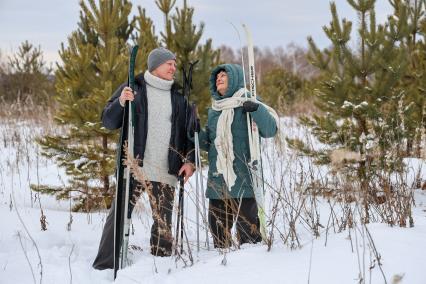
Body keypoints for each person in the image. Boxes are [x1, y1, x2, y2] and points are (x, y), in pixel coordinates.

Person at [93, 47, 195, 270]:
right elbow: (108, 122)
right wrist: (121, 102)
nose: (173, 67)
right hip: (135, 167)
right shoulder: (134, 88)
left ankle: (160, 267)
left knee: (163, 226)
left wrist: (190, 161)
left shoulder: (179, 99)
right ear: (155, 66)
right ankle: (105, 265)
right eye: (169, 63)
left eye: (175, 64)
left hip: (167, 168)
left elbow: (190, 134)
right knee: (118, 217)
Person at [189, 63, 278, 248]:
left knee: (249, 235)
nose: (219, 78)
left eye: (224, 75)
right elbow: (209, 144)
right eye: (217, 77)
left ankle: (250, 270)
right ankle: (222, 269)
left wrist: (256, 110)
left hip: (245, 175)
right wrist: (195, 132)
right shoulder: (215, 109)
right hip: (219, 178)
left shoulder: (250, 100)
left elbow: (270, 130)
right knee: (219, 234)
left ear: (235, 78)